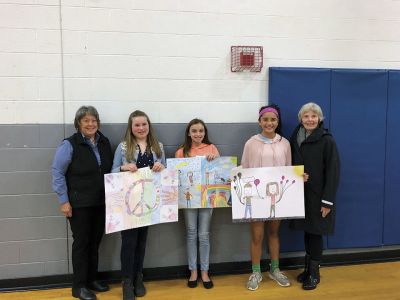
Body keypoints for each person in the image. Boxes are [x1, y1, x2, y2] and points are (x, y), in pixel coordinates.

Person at [52, 106, 113, 300]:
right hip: (79, 204)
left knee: (94, 243)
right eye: (86, 121)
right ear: (78, 123)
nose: (90, 124)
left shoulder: (104, 142)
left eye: (94, 120)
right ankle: (78, 286)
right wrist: (64, 201)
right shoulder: (69, 145)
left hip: (101, 202)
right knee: (82, 244)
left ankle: (91, 280)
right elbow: (57, 173)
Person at [111, 110, 165, 300]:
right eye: (137, 125)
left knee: (141, 242)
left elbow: (164, 173)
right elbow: (112, 173)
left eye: (144, 124)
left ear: (149, 126)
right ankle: (127, 281)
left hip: (148, 203)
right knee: (128, 243)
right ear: (131, 127)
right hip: (129, 205)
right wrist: (123, 167)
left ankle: (138, 278)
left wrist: (161, 167)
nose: (141, 128)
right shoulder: (123, 147)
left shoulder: (157, 147)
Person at [290, 102, 340, 290]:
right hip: (301, 195)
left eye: (313, 116)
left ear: (319, 119)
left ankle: (315, 274)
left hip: (319, 197)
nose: (310, 119)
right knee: (307, 231)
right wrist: (296, 176)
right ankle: (307, 269)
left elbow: (333, 172)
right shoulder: (295, 136)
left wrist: (327, 201)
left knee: (316, 233)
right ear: (301, 119)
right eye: (306, 116)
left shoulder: (327, 140)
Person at [241, 104, 292, 291]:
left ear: (277, 122)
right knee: (257, 234)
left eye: (273, 119)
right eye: (265, 119)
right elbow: (244, 168)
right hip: (256, 198)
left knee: (273, 232)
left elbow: (288, 169)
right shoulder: (251, 143)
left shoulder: (284, 143)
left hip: (276, 197)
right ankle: (255, 272)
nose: (269, 123)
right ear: (260, 121)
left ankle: (275, 269)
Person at [175, 118, 219, 289]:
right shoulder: (181, 151)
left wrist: (214, 159)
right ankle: (193, 270)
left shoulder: (212, 148)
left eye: (201, 131)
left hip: (207, 199)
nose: (198, 134)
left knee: (204, 235)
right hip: (189, 200)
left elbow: (219, 171)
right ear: (189, 133)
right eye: (194, 131)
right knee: (191, 233)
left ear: (204, 132)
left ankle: (205, 272)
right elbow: (176, 175)